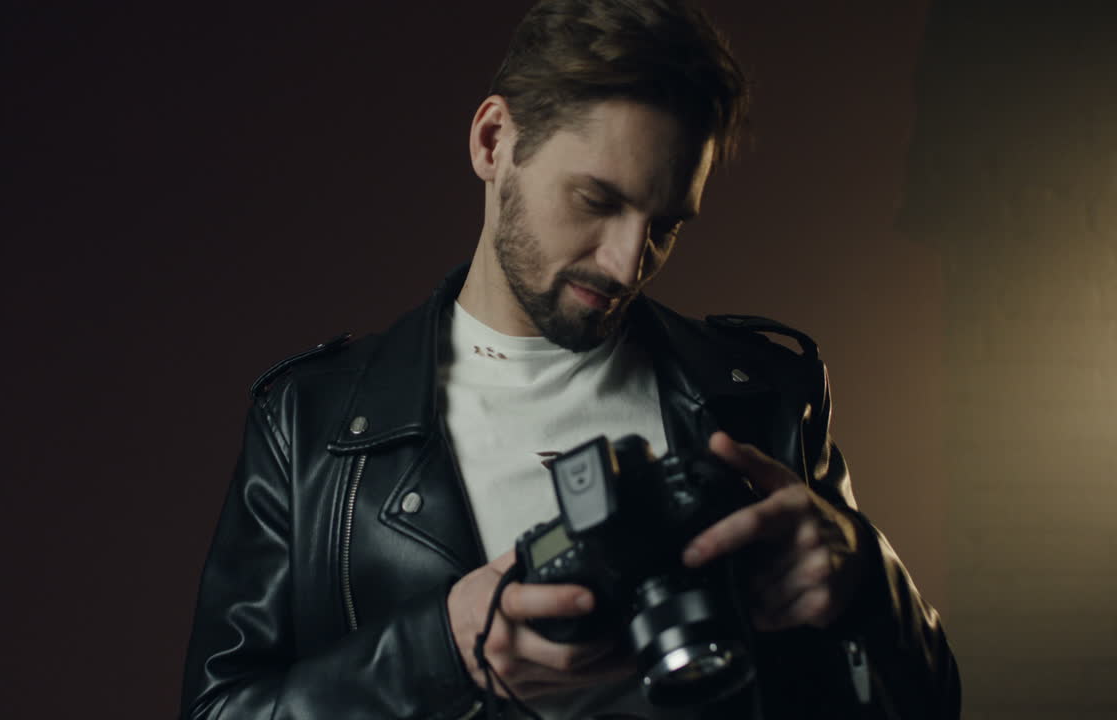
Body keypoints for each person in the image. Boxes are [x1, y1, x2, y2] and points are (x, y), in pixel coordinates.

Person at [179, 1, 960, 718]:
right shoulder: (311, 424)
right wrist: (441, 651)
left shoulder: (763, 396)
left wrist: (864, 581)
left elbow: (928, 703)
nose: (627, 263)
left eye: (664, 225)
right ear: (494, 143)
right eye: (597, 202)